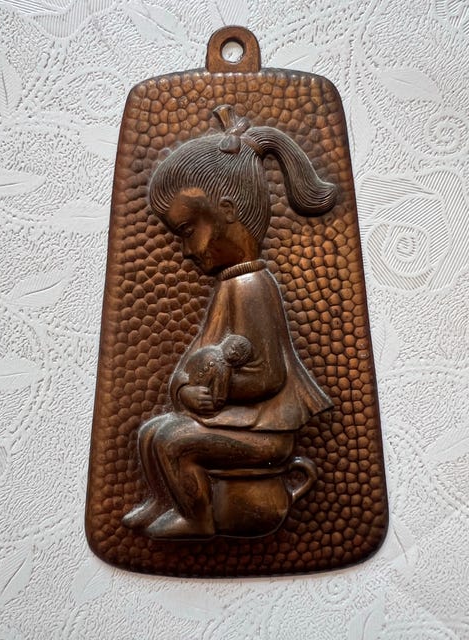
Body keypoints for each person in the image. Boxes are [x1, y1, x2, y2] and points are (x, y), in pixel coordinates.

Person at [123, 105, 336, 539]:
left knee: (172, 442)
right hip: (239, 423)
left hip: (265, 434)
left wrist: (216, 390)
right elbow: (197, 357)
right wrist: (186, 389)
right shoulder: (229, 285)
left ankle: (198, 519)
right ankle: (165, 501)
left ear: (227, 210)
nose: (186, 250)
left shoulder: (252, 287)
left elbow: (269, 376)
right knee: (151, 432)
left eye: (187, 231)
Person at [183, 335, 253, 413]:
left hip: (203, 400)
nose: (232, 353)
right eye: (232, 348)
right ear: (227, 343)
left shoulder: (226, 370)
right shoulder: (208, 352)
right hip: (188, 387)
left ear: (239, 360)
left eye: (236, 354)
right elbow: (188, 366)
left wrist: (215, 402)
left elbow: (219, 395)